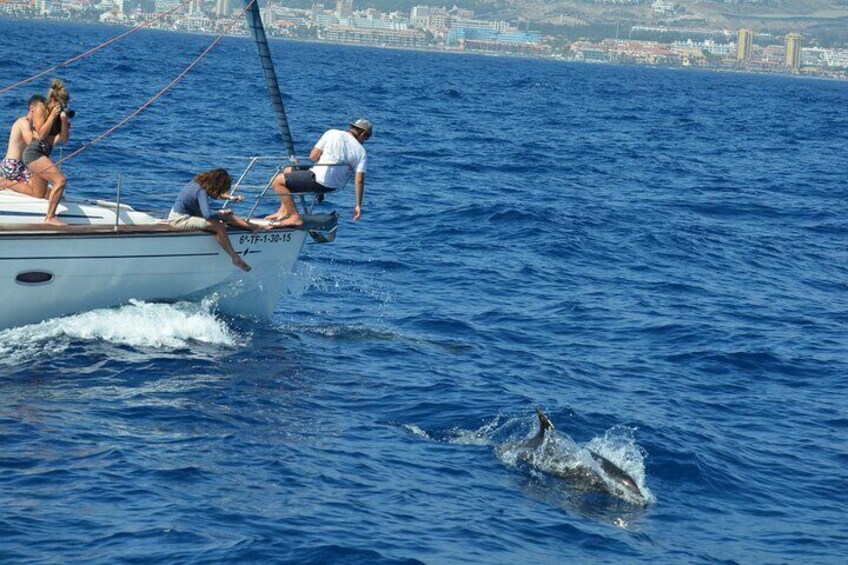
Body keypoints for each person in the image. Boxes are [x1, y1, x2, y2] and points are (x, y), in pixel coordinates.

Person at [267, 118, 372, 227]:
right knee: (288, 170)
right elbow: (359, 180)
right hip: (332, 186)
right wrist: (358, 205)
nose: (364, 141)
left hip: (318, 180)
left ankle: (294, 217)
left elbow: (313, 156)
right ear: (363, 134)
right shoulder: (361, 152)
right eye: (367, 138)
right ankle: (283, 211)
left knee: (276, 181)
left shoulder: (332, 133)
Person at [168, 168, 262, 272]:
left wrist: (231, 198)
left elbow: (216, 193)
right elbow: (207, 214)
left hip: (190, 213)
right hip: (180, 219)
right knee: (219, 225)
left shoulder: (199, 183)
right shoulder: (201, 191)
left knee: (226, 216)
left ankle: (253, 227)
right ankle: (235, 258)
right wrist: (221, 213)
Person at [22, 79, 71, 226]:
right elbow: (42, 134)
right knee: (60, 180)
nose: (61, 107)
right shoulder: (40, 108)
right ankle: (50, 217)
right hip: (34, 152)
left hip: (44, 154)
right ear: (52, 100)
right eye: (60, 104)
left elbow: (64, 139)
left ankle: (4, 183)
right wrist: (51, 116)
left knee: (38, 193)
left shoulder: (59, 115)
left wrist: (63, 120)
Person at [0, 94, 44, 196]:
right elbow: (30, 141)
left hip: (22, 167)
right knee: (35, 192)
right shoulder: (23, 122)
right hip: (13, 165)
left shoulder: (33, 127)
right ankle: (4, 182)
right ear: (32, 109)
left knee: (43, 189)